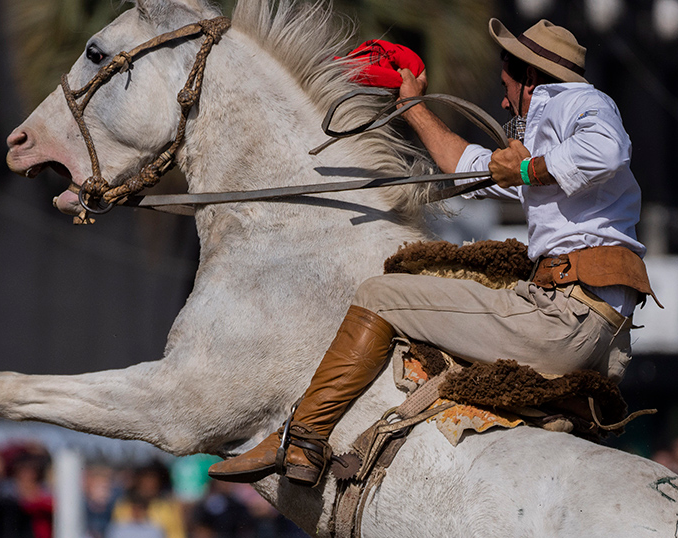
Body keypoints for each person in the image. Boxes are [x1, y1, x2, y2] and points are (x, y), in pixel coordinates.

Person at [208, 18, 659, 487]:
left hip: (565, 315)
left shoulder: (578, 101)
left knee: (379, 295)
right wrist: (411, 105)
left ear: (531, 78)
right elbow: (465, 168)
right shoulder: (552, 154)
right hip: (591, 322)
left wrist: (525, 169)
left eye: (507, 87)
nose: (504, 101)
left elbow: (607, 153)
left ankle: (303, 439)